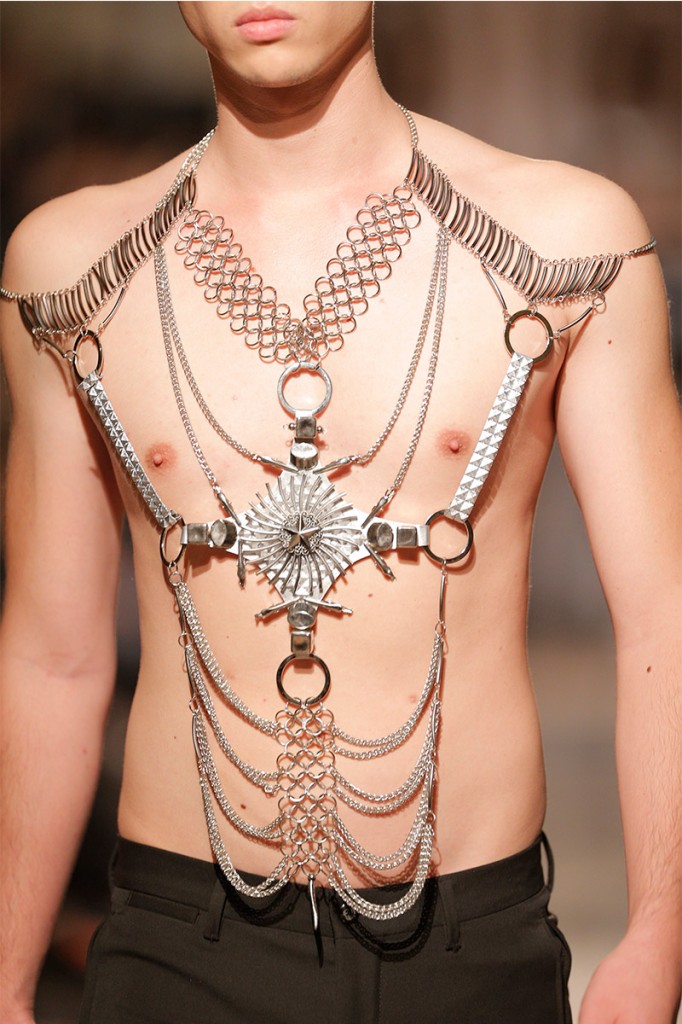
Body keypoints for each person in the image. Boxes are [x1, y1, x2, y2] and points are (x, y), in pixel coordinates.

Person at [1, 3, 680, 1022]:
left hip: (471, 945)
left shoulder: (567, 243)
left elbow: (664, 617)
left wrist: (659, 935)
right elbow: (52, 655)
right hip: (177, 947)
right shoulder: (68, 270)